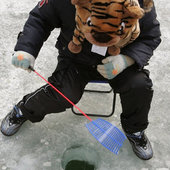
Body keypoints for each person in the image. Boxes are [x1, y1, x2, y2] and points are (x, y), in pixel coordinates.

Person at [1, 0, 161, 160]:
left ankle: (135, 130)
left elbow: (150, 36)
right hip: (76, 58)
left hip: (117, 59)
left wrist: (127, 60)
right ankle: (24, 110)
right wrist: (26, 49)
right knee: (62, 93)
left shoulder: (140, 3)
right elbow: (41, 19)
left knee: (139, 85)